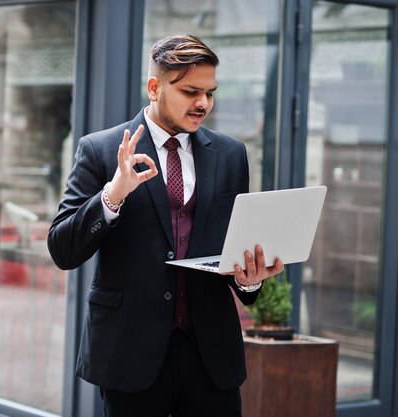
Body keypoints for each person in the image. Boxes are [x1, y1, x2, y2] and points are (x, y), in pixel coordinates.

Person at [47, 34, 284, 417]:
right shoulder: (101, 149)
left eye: (210, 92)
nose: (203, 103)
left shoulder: (230, 154)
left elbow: (229, 252)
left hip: (212, 357)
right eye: (191, 91)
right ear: (154, 87)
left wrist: (250, 278)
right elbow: (63, 249)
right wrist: (113, 195)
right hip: (130, 353)